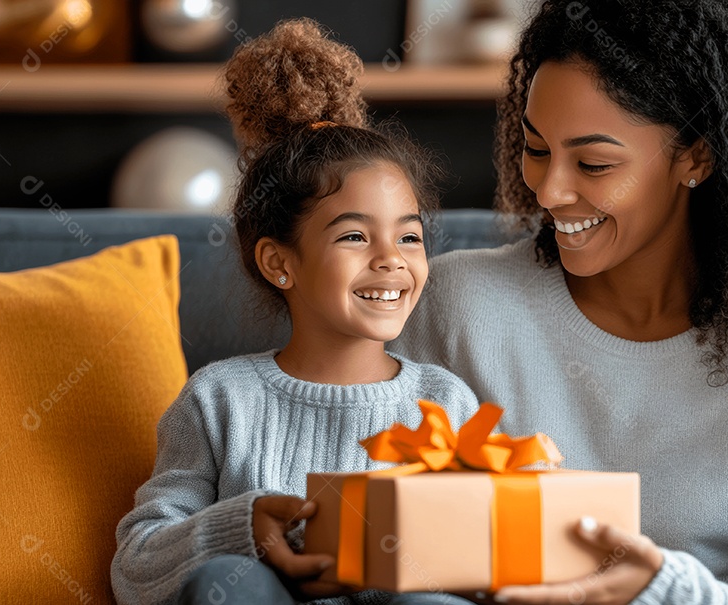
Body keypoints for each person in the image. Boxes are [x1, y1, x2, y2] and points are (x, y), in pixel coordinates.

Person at [388, 1, 728, 604]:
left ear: (697, 155)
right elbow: (372, 518)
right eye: (536, 150)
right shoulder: (456, 306)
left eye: (594, 163)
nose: (550, 190)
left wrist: (663, 591)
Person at [110, 19, 479, 605]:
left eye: (409, 238)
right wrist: (242, 526)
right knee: (220, 585)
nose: (392, 261)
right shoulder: (218, 400)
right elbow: (135, 567)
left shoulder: (448, 406)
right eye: (355, 237)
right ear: (280, 263)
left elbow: (487, 551)